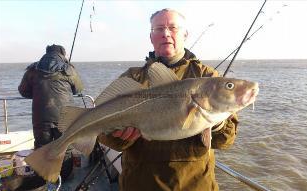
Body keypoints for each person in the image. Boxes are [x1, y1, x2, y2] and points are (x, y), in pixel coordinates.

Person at [98, 9, 239, 191]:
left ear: (185, 34)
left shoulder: (208, 77)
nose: (165, 33)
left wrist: (216, 123)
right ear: (151, 37)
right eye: (158, 29)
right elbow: (105, 137)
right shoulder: (133, 78)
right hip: (140, 184)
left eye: (173, 27)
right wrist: (120, 137)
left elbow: (226, 141)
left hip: (194, 185)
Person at [18, 44, 84, 179]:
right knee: (65, 148)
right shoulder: (69, 69)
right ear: (62, 54)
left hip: (41, 117)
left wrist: (38, 93)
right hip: (65, 118)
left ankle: (42, 179)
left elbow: (23, 91)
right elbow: (79, 89)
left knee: (42, 149)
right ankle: (64, 179)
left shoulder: (33, 69)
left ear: (46, 53)